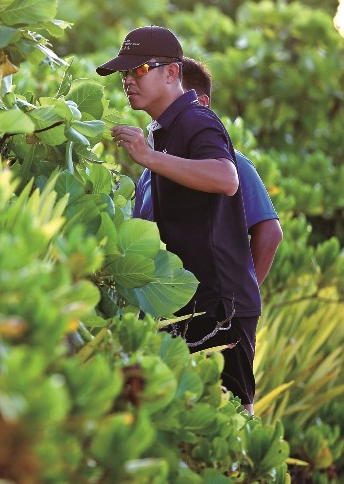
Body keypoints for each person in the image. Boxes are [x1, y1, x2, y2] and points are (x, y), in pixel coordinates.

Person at [97, 26, 261, 413]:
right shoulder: (168, 129)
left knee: (232, 423)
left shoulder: (196, 119)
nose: (128, 81)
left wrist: (148, 157)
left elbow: (226, 178)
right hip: (185, 303)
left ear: (172, 72)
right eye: (124, 73)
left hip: (218, 309)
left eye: (139, 70)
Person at [134, 57, 282, 284]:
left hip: (217, 302)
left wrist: (243, 296)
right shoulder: (149, 173)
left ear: (201, 103)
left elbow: (270, 233)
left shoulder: (235, 164)